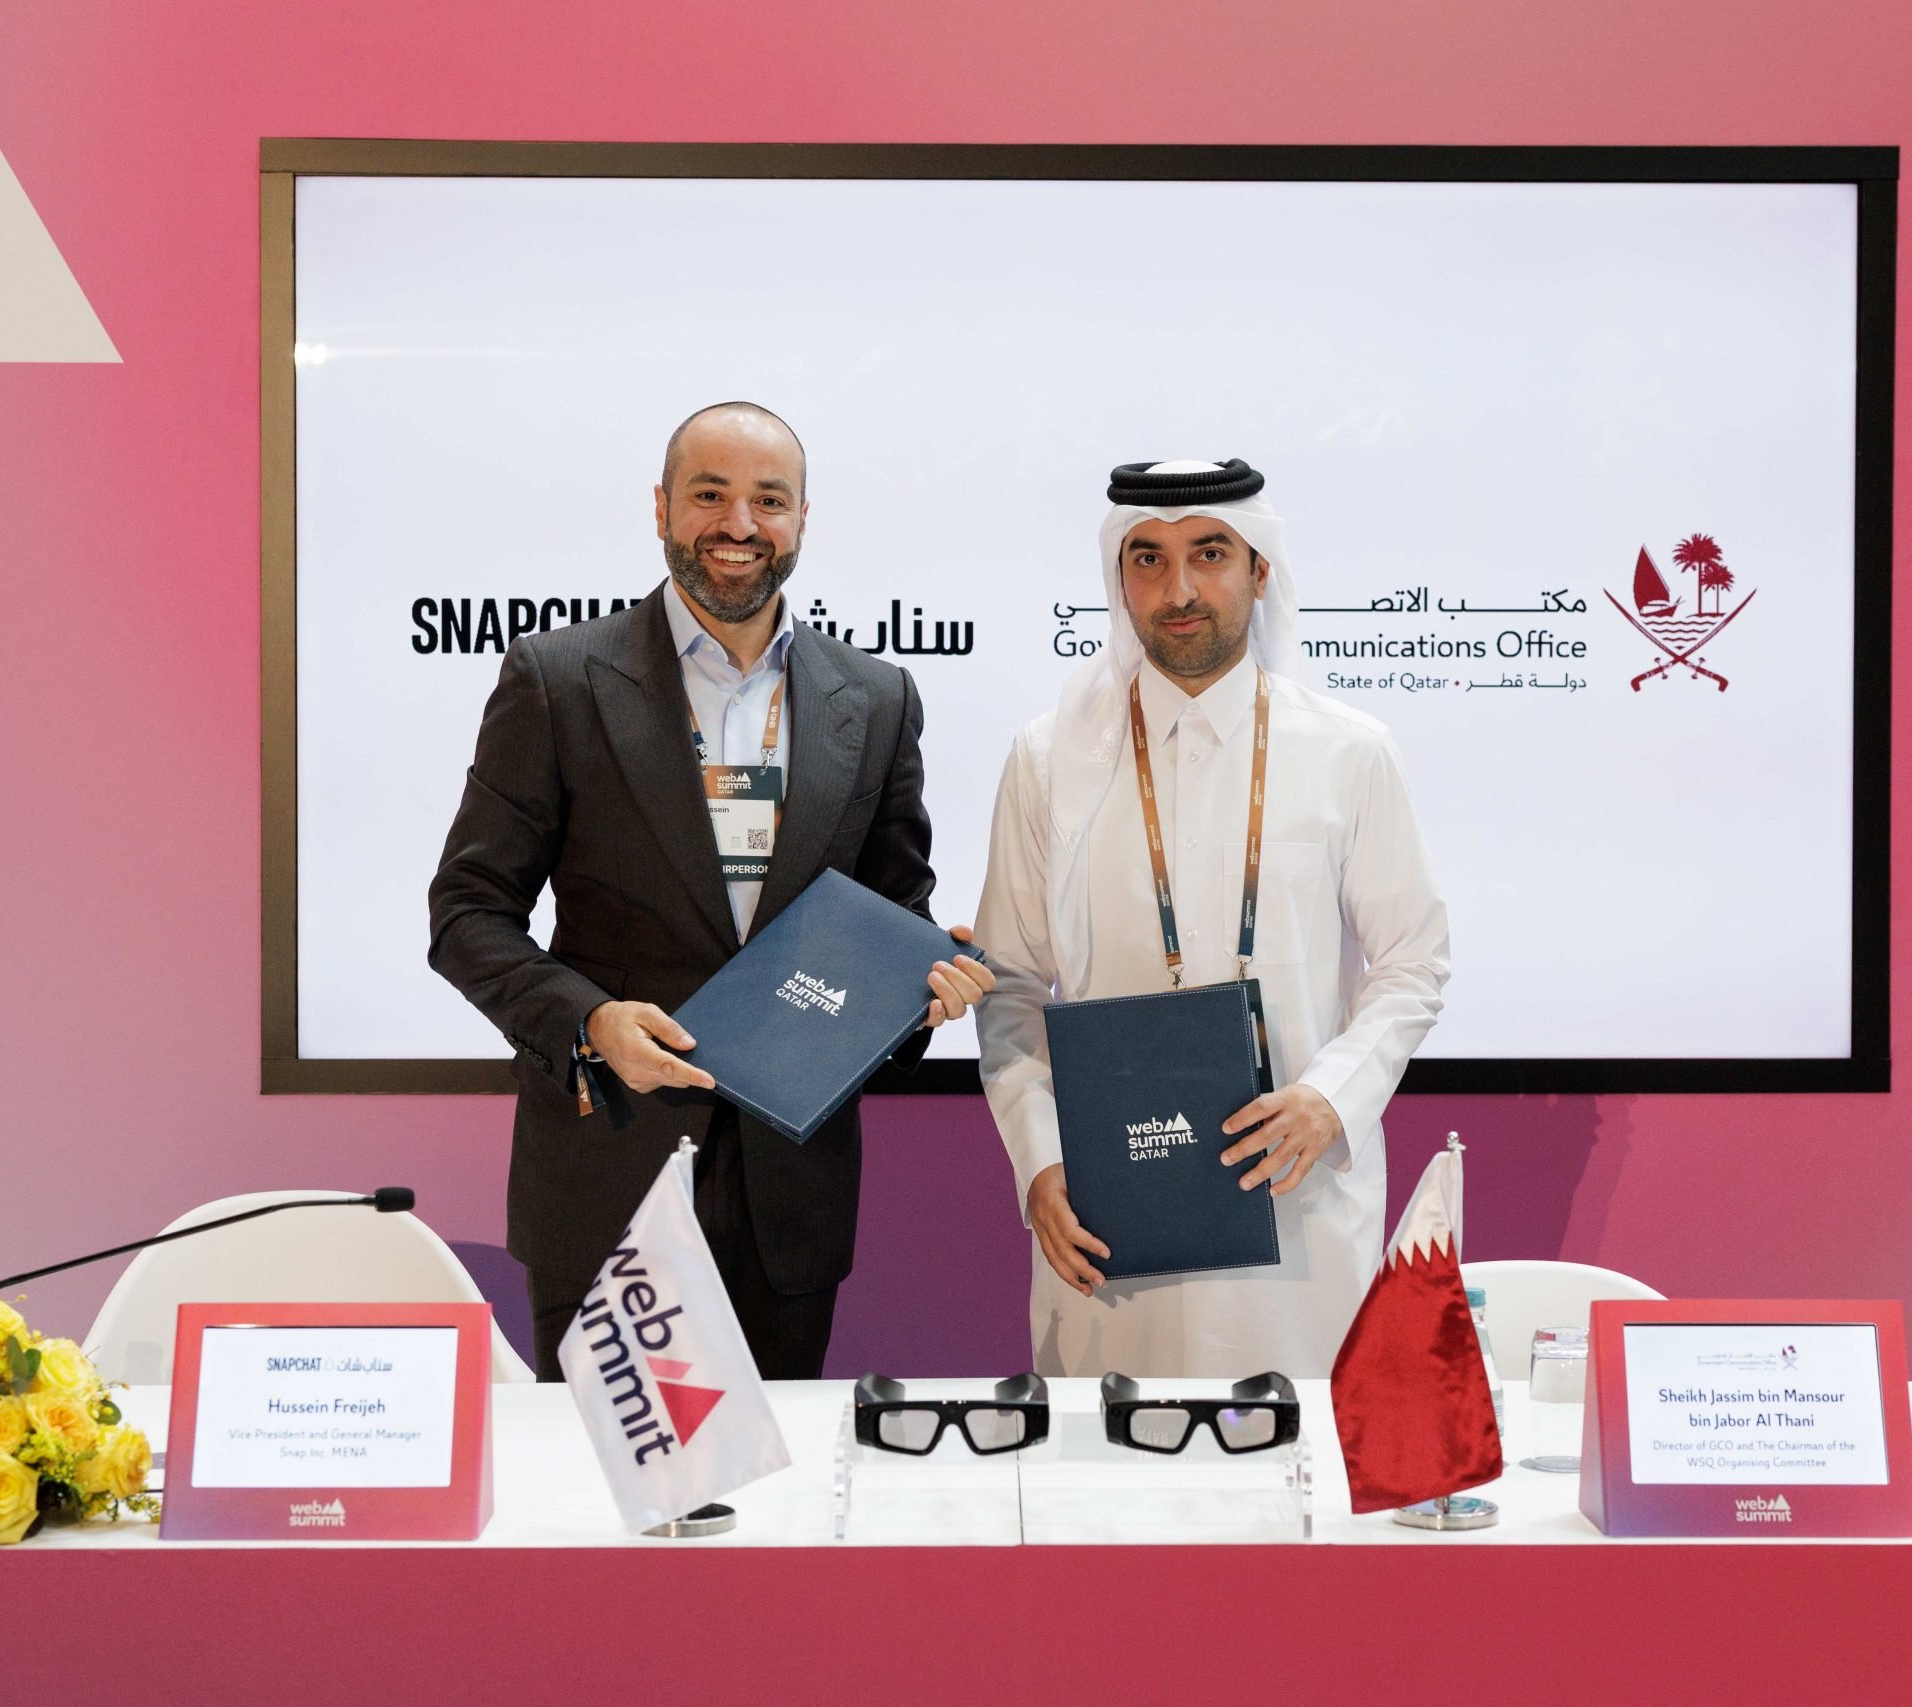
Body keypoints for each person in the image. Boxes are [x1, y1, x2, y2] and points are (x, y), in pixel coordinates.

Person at [429, 401, 992, 1381]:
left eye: (767, 500)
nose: (738, 524)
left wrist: (926, 987)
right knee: (600, 1515)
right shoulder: (559, 681)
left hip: (790, 1198)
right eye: (709, 495)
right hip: (606, 1171)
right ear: (661, 509)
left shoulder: (877, 697)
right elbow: (467, 911)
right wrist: (590, 1021)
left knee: (770, 1516)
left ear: (802, 519)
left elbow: (895, 911)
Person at [974, 458, 1449, 1378]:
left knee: (1295, 1488)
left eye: (1209, 554)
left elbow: (1412, 962)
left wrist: (1330, 1099)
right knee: (1113, 1495)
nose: (1178, 588)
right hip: (1107, 1221)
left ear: (1259, 568)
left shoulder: (1349, 753)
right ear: (1119, 578)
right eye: (1147, 559)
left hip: (1296, 1209)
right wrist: (1038, 1165)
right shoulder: (1047, 758)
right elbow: (1010, 985)